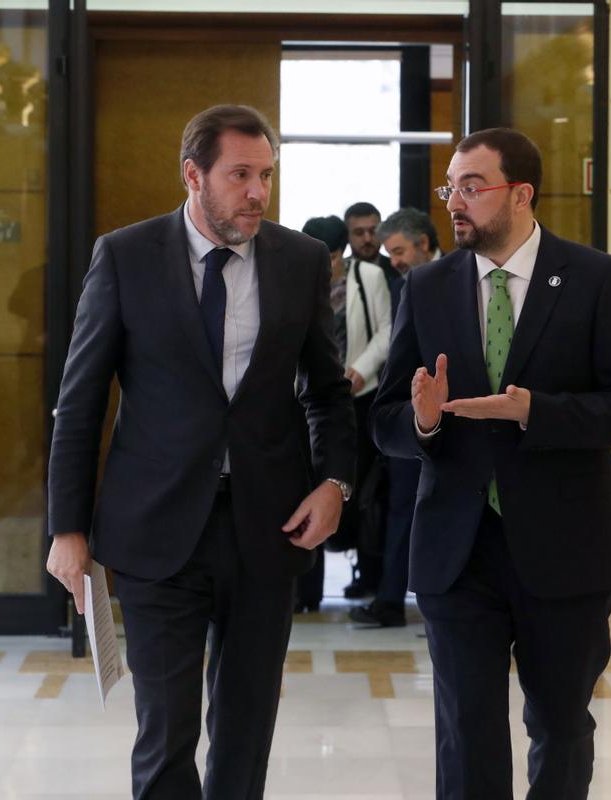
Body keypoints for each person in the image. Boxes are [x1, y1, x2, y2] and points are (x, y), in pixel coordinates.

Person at [46, 104, 356, 800]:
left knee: (247, 728)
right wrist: (67, 529)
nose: (257, 192)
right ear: (194, 176)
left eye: (266, 175)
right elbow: (81, 402)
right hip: (155, 531)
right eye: (240, 174)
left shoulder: (300, 261)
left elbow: (329, 394)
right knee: (166, 729)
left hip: (268, 529)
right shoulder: (125, 256)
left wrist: (336, 482)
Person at [370, 128, 611, 799]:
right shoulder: (429, 287)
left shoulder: (595, 279)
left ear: (521, 194)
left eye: (472, 187)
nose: (454, 203)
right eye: (449, 188)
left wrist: (536, 412)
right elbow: (386, 422)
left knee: (558, 727)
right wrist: (425, 420)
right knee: (466, 732)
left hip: (565, 551)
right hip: (457, 552)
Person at [348, 207, 440, 628]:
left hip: (452, 417)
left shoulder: (458, 279)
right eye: (391, 253)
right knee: (403, 506)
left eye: (399, 251)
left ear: (423, 242)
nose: (395, 260)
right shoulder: (404, 284)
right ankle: (390, 599)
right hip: (409, 420)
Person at [300, 214, 391, 609]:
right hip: (309, 403)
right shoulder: (294, 279)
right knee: (307, 488)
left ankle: (369, 578)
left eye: (333, 256)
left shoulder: (368, 278)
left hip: (360, 397)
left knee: (362, 493)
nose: (327, 266)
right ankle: (305, 591)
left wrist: (362, 369)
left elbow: (388, 330)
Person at [344, 200, 398, 285]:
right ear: (347, 236)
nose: (367, 239)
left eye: (373, 231)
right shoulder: (337, 273)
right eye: (359, 233)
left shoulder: (397, 269)